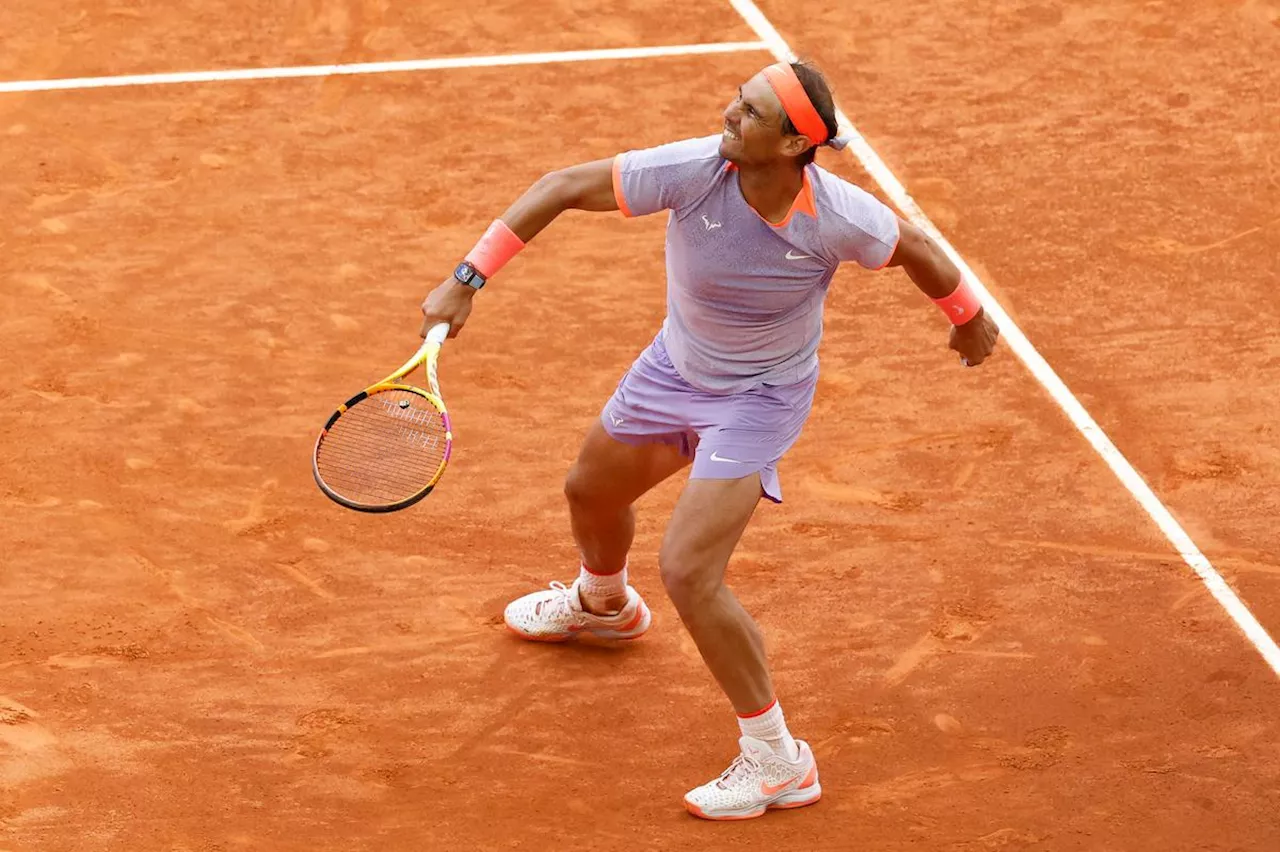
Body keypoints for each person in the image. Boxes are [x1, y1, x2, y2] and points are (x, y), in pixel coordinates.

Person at [419, 60, 999, 820]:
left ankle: (777, 760)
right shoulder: (693, 171)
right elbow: (561, 186)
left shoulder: (840, 218)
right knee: (590, 491)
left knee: (690, 569)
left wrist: (970, 317)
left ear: (795, 145)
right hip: (676, 367)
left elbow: (917, 248)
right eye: (738, 98)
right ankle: (603, 604)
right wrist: (467, 278)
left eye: (751, 112)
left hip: (758, 399)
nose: (729, 113)